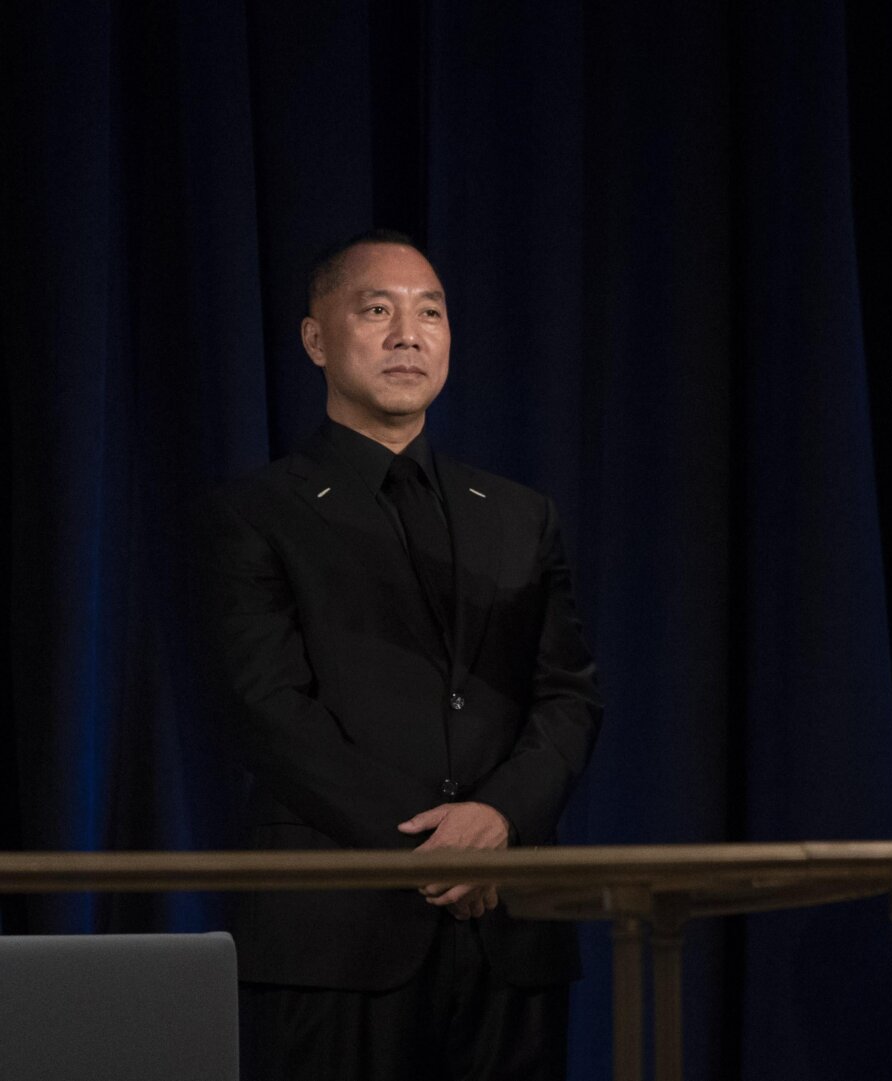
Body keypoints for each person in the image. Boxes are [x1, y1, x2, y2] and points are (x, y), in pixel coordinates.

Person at [196, 230, 601, 1080]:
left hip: (508, 937)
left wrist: (499, 818)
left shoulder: (520, 513)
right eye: (376, 310)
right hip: (336, 938)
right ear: (316, 340)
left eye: (430, 312)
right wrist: (433, 846)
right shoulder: (258, 512)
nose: (407, 334)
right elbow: (269, 711)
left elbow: (567, 696)